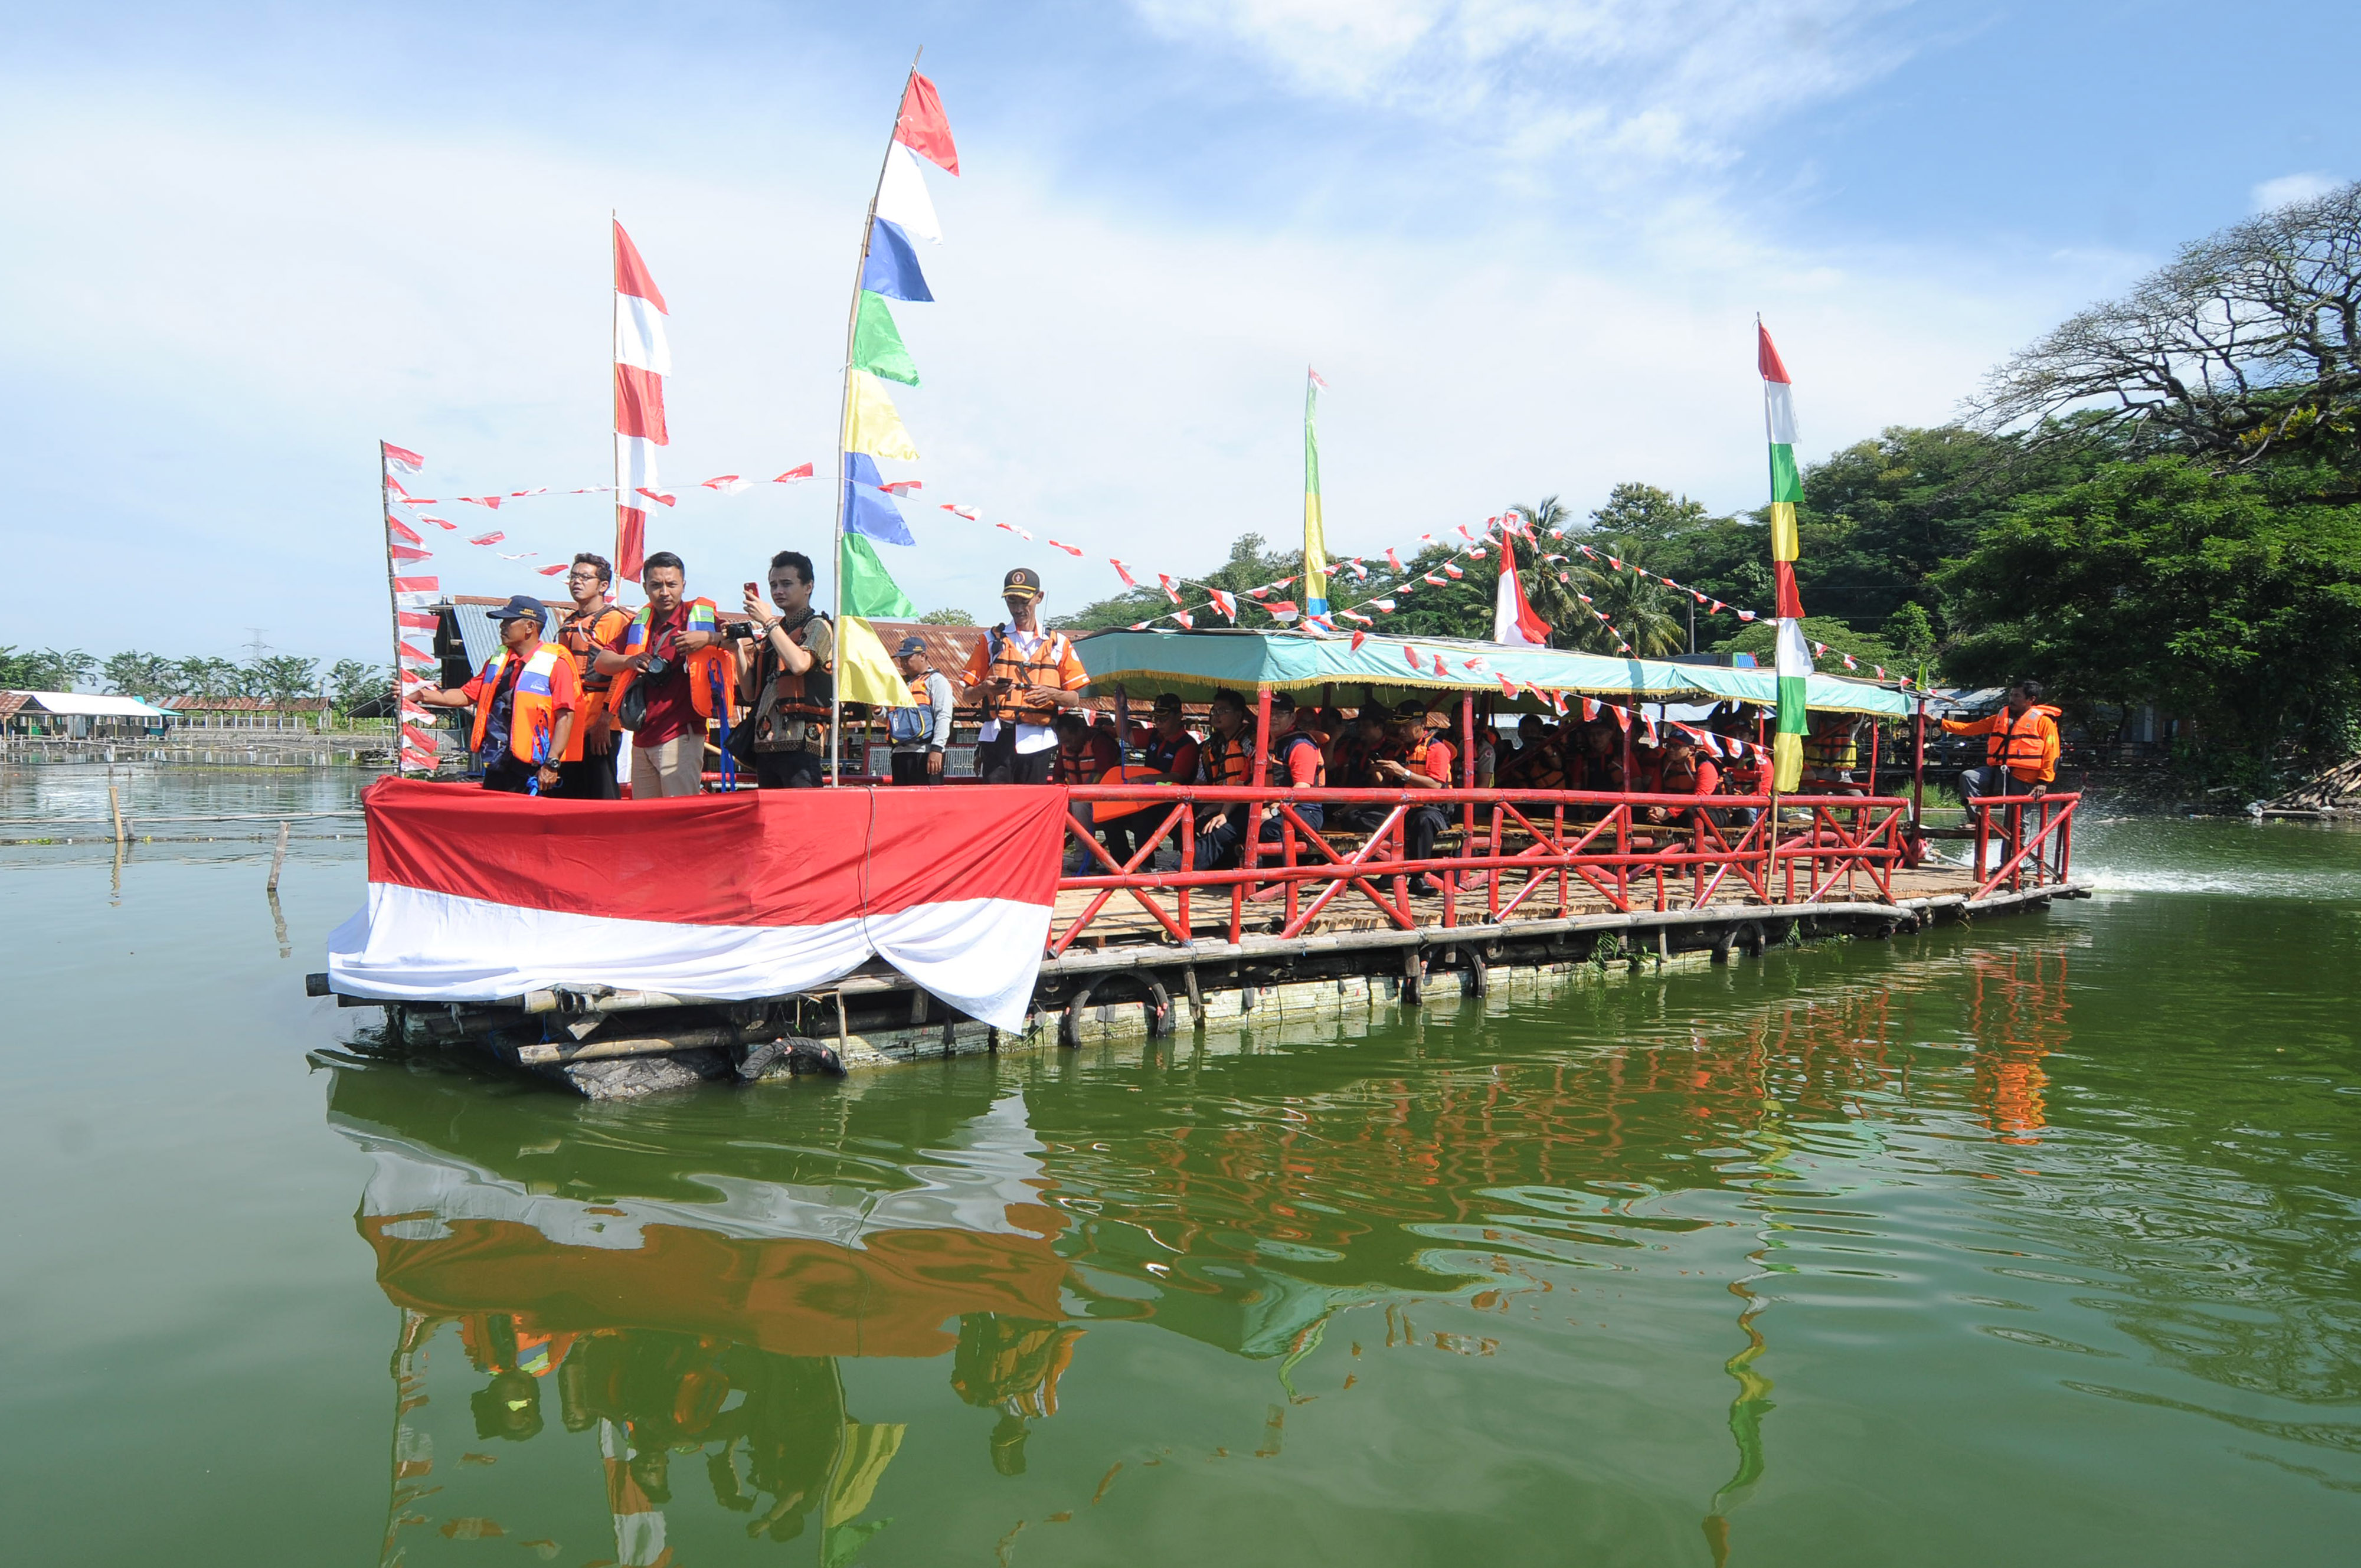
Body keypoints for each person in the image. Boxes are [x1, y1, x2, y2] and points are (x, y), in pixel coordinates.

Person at [413, 594, 578, 794]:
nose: (502, 626)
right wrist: (421, 695)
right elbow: (466, 695)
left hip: (535, 767)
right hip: (499, 761)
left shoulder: (556, 664)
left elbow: (566, 717)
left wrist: (552, 764)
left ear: (530, 627)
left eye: (509, 621)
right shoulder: (498, 662)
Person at [601, 551, 733, 798]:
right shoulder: (640, 623)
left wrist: (709, 638)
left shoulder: (698, 619)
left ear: (683, 585)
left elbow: (744, 644)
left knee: (680, 817)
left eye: (672, 584)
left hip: (681, 733)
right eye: (656, 585)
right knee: (646, 821)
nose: (664, 592)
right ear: (645, 587)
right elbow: (602, 662)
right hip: (641, 736)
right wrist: (630, 661)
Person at [960, 568, 1088, 784]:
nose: (1018, 609)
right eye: (1011, 601)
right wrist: (985, 689)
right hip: (997, 739)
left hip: (1038, 742)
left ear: (1039, 598)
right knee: (998, 806)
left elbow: (1075, 698)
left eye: (1024, 601)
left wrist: (1052, 694)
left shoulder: (1058, 644)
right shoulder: (990, 640)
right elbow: (967, 696)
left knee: (1031, 805)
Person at [735, 551, 834, 789]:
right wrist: (736, 648)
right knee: (774, 818)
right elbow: (750, 693)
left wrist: (768, 622)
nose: (778, 591)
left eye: (787, 584)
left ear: (808, 586)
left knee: (803, 815)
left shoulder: (819, 626)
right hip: (766, 742)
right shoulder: (774, 633)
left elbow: (799, 664)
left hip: (800, 740)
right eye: (774, 585)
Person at [549, 552, 632, 800]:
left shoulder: (616, 620)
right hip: (571, 723)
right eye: (573, 576)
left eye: (585, 577)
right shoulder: (569, 623)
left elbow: (624, 673)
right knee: (567, 793)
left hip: (601, 723)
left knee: (602, 792)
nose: (577, 582)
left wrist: (605, 720)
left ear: (603, 586)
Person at [1100, 693, 1199, 869]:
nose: (1159, 723)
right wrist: (1120, 707)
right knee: (1109, 815)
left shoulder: (1187, 744)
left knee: (1142, 817)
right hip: (1146, 797)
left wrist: (1144, 779)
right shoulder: (1154, 735)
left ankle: (1144, 864)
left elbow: (1177, 777)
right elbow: (1125, 734)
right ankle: (1121, 863)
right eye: (1156, 718)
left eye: (1165, 719)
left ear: (1179, 717)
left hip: (1173, 802)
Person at [1372, 700, 1457, 893]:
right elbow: (1388, 787)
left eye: (1406, 725)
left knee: (1423, 820)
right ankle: (1388, 871)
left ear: (1422, 723)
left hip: (1434, 810)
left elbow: (1436, 785)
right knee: (1360, 818)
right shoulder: (1401, 750)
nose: (1401, 731)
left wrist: (1402, 772)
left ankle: (1419, 877)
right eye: (1399, 726)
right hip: (1403, 809)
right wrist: (1376, 771)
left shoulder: (1437, 748)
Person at [1944, 680, 2062, 804]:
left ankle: (2011, 823)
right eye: (2011, 695)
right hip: (1999, 772)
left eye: (2017, 696)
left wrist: (2043, 782)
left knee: (2016, 819)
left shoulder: (2044, 722)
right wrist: (1939, 723)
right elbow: (1969, 729)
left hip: (2025, 777)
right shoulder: (1999, 719)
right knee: (1969, 777)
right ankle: (1976, 819)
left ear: (2031, 699)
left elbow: (2052, 753)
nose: (2011, 699)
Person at [1191, 689, 1257, 869]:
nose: (1216, 716)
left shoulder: (1249, 742)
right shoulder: (1210, 745)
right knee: (1184, 817)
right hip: (1218, 801)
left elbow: (1253, 782)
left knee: (1216, 827)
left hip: (1244, 804)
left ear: (1238, 715)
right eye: (1214, 711)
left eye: (1222, 711)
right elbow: (1201, 780)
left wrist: (1220, 806)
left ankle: (1179, 872)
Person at [887, 634, 955, 785]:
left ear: (923, 656)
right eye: (901, 660)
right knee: (902, 804)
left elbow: (943, 716)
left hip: (925, 753)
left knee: (927, 804)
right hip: (900, 754)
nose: (903, 663)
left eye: (907, 659)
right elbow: (890, 718)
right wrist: (877, 711)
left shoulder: (937, 681)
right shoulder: (900, 685)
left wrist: (937, 749)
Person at [1646, 728, 1722, 840]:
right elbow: (1654, 790)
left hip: (1710, 811)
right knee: (1641, 813)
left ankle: (1692, 853)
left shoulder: (1704, 766)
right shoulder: (1664, 763)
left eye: (1676, 746)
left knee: (1691, 815)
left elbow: (1701, 798)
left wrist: (1669, 813)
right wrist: (1654, 809)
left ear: (1691, 749)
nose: (1671, 750)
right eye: (1669, 745)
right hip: (1673, 809)